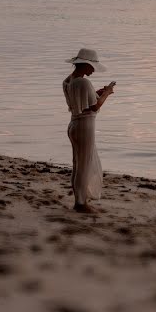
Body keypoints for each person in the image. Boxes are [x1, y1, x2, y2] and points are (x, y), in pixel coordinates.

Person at [62, 47, 114, 213]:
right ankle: (80, 203)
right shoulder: (83, 82)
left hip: (73, 125)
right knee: (83, 165)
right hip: (85, 126)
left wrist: (96, 92)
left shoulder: (69, 80)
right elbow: (94, 107)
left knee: (78, 164)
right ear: (84, 64)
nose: (93, 70)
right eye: (92, 66)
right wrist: (106, 93)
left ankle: (79, 199)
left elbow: (81, 101)